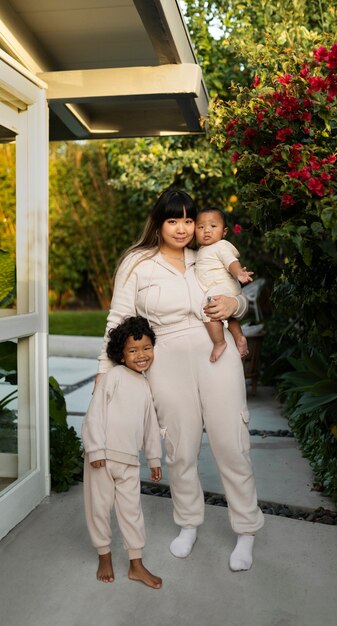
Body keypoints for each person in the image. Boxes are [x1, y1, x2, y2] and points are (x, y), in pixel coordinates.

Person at [97, 188, 264, 572]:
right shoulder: (138, 263)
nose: (183, 228)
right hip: (166, 360)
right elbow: (117, 320)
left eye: (189, 220)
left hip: (215, 353)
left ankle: (246, 529)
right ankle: (189, 523)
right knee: (180, 449)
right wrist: (105, 376)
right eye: (174, 220)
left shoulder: (207, 255)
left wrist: (233, 305)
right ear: (159, 222)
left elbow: (237, 298)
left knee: (231, 444)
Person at [82, 316, 163, 588]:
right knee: (99, 509)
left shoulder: (144, 385)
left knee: (132, 511)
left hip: (129, 462)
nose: (141, 355)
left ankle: (136, 564)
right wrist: (94, 450)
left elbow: (150, 426)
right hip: (102, 458)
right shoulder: (113, 377)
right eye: (133, 350)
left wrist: (153, 458)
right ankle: (104, 556)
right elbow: (95, 414)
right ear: (120, 353)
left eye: (146, 348)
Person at [195, 207, 253, 362]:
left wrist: (239, 273)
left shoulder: (221, 246)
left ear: (224, 231)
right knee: (226, 314)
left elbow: (231, 262)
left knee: (208, 309)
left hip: (224, 286)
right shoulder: (201, 250)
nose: (206, 230)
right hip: (221, 288)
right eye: (201, 227)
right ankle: (239, 337)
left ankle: (219, 342)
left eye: (213, 226)